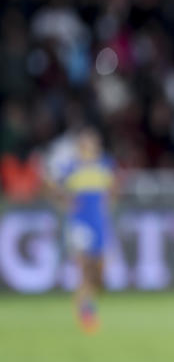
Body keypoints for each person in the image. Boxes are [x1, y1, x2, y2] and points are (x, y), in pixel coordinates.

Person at [46, 127, 116, 333]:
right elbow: (49, 182)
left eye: (92, 143)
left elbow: (113, 188)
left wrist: (108, 204)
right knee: (85, 269)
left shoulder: (104, 164)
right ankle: (86, 313)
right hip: (80, 224)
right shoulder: (71, 166)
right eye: (85, 143)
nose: (89, 147)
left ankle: (87, 304)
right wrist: (64, 201)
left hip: (99, 223)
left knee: (99, 273)